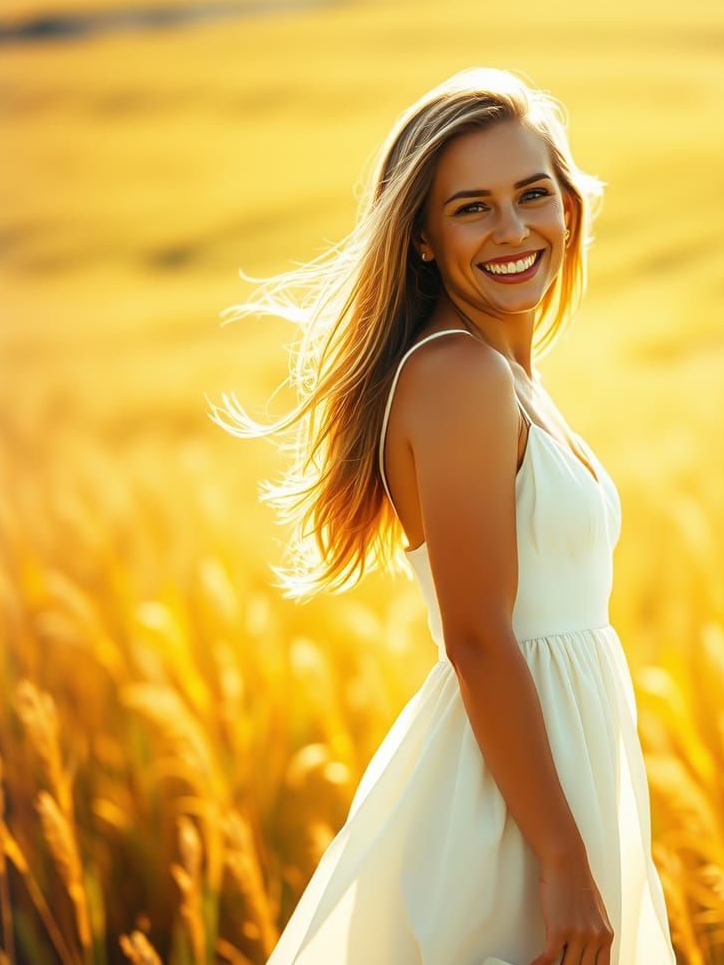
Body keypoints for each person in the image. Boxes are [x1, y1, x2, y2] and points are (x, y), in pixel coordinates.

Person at [213, 67, 676, 965]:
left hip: (558, 777)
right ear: (423, 238)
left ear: (568, 205)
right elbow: (476, 636)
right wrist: (561, 857)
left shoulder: (507, 377)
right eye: (472, 208)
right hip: (508, 814)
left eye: (531, 194)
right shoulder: (459, 375)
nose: (513, 230)